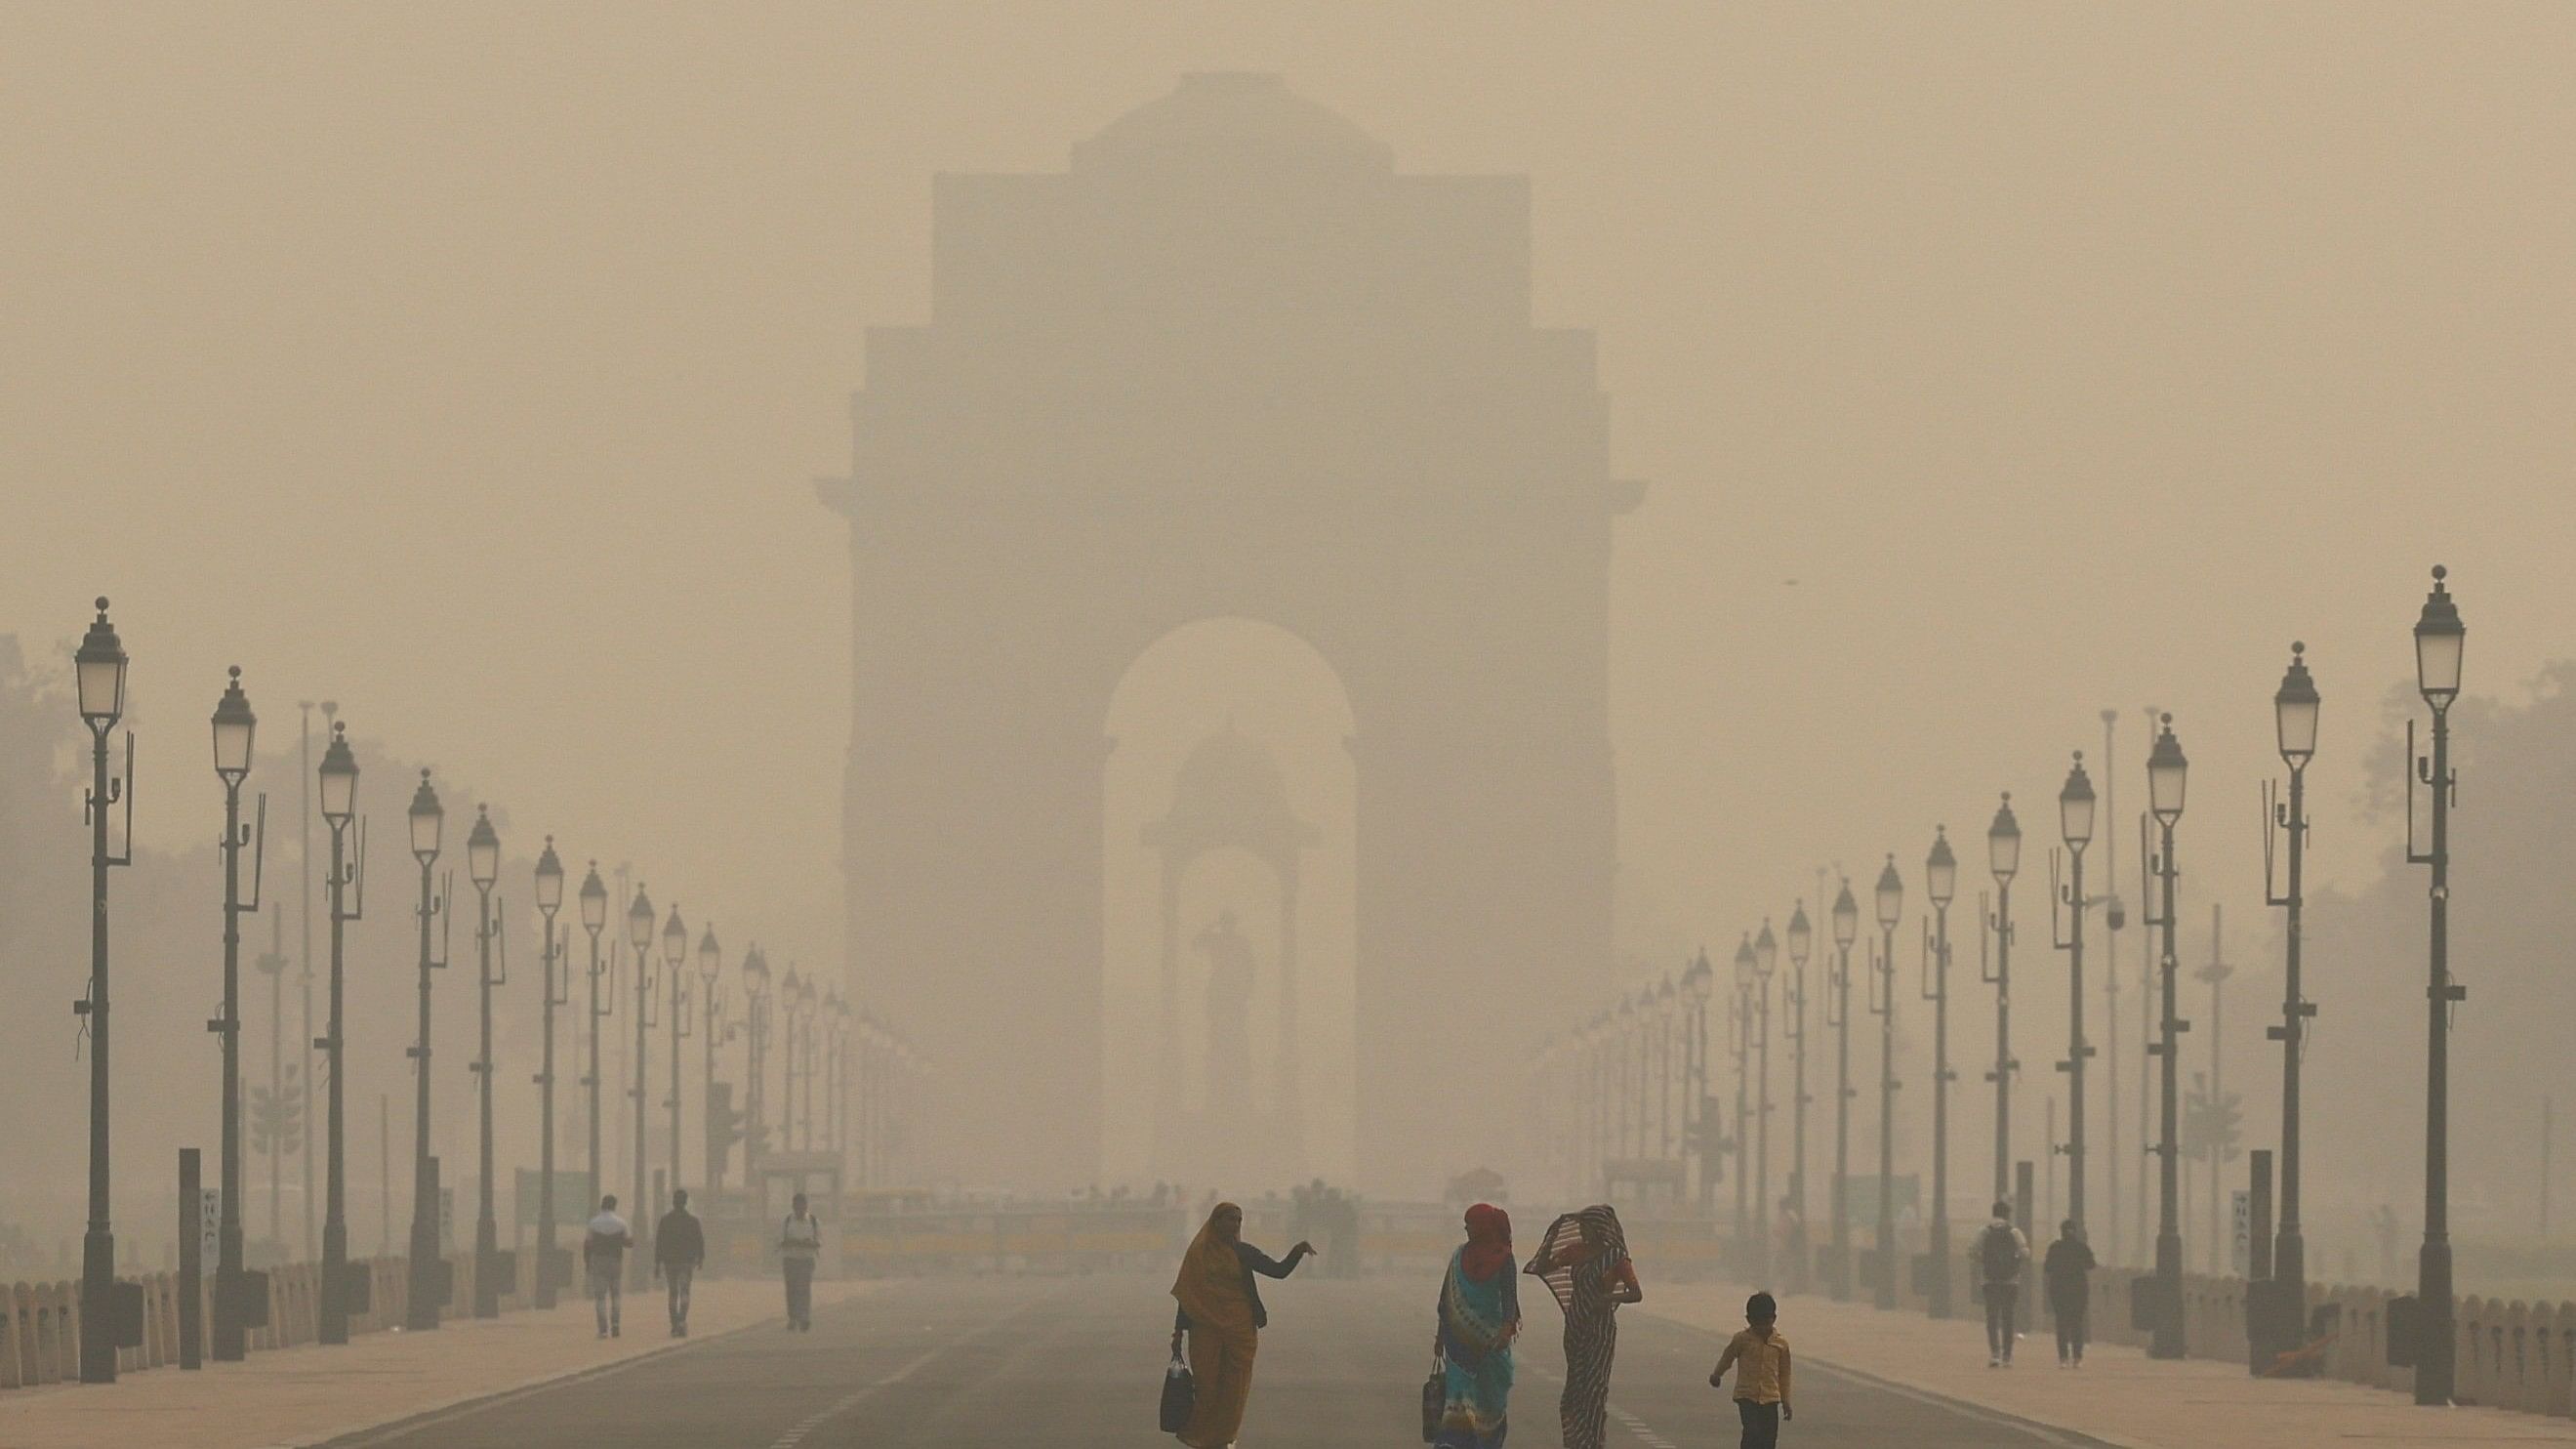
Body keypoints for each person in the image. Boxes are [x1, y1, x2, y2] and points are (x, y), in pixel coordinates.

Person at [1167, 1201, 1315, 1449]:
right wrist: (1179, 1331)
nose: (1235, 1224)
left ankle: (1223, 1437)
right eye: (1230, 1219)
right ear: (1215, 1222)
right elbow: (1189, 1294)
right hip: (1205, 1327)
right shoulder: (1199, 1254)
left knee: (1234, 1386)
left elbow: (1277, 1271)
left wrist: (1297, 1252)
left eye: (1238, 1220)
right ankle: (1201, 1436)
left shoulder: (1243, 1252)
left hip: (1240, 1328)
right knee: (1206, 1384)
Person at [1528, 1204, 1642, 1449]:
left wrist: (1608, 1299)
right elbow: (1541, 1267)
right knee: (1575, 1387)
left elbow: (1636, 1293)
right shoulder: (1574, 1251)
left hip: (1600, 1328)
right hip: (1576, 1324)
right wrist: (1552, 1236)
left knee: (1595, 1386)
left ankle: (1593, 1441)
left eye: (1586, 1227)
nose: (1582, 1231)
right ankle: (1575, 1441)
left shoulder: (1616, 1256)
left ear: (1599, 1228)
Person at [1432, 1204, 1520, 1449]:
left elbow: (1509, 1297)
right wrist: (1440, 1336)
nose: (1466, 1229)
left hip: (1491, 1343)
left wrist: (1506, 1328)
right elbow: (1445, 1300)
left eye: (1470, 1224)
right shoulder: (1459, 1256)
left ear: (1483, 1227)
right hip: (1458, 1343)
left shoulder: (1504, 1258)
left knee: (1490, 1400)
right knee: (1458, 1398)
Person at [1710, 1291, 1793, 1449]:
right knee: (1752, 1432)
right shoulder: (1742, 1340)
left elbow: (1785, 1374)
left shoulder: (1781, 1344)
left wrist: (1786, 1401)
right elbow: (1727, 1357)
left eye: (1766, 1322)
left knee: (1769, 1438)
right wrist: (1717, 1374)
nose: (1762, 1327)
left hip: (1770, 1398)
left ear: (1774, 1319)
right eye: (1757, 1323)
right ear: (1749, 1320)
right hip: (1747, 1396)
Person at [1975, 1200, 2030, 1367]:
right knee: (2008, 1317)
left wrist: (1985, 1261)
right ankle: (2007, 1356)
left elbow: (1972, 1251)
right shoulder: (2014, 1232)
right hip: (2010, 1281)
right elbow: (2025, 1252)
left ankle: (1995, 1354)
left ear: (1994, 1213)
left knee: (1992, 1318)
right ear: (2007, 1215)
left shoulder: (1984, 1232)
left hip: (1990, 1280)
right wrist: (2013, 1261)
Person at [2043, 1219, 2098, 1367]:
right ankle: (2077, 1357)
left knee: (2061, 1324)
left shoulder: (2055, 1248)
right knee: (2077, 1324)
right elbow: (2091, 1264)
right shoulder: (2081, 1247)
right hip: (2078, 1290)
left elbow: (2047, 1268)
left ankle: (2063, 1358)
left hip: (2059, 1290)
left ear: (2061, 1232)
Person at [656, 1188, 707, 1338]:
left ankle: (674, 1324)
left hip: (670, 1261)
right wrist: (700, 1258)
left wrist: (657, 1263)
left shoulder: (665, 1221)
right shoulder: (693, 1221)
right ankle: (682, 1320)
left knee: (673, 1292)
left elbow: (660, 1242)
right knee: (685, 1291)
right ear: (685, 1202)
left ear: (673, 1202)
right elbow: (699, 1241)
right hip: (686, 1261)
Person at [583, 1194, 634, 1339]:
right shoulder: (621, 1223)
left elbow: (588, 1245)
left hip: (598, 1261)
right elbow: (629, 1243)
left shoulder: (593, 1223)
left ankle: (603, 1329)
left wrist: (587, 1263)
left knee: (600, 1297)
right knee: (616, 1295)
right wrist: (617, 1240)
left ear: (602, 1205)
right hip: (615, 1260)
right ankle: (616, 1325)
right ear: (614, 1206)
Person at [779, 1192, 822, 1331]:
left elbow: (819, 1242)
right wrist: (791, 1242)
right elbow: (779, 1241)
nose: (799, 1209)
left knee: (804, 1289)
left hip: (806, 1260)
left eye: (802, 1206)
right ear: (793, 1206)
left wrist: (809, 1243)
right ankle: (793, 1318)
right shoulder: (786, 1221)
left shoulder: (814, 1221)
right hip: (790, 1259)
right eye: (797, 1206)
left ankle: (804, 1316)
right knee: (791, 1290)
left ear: (806, 1206)